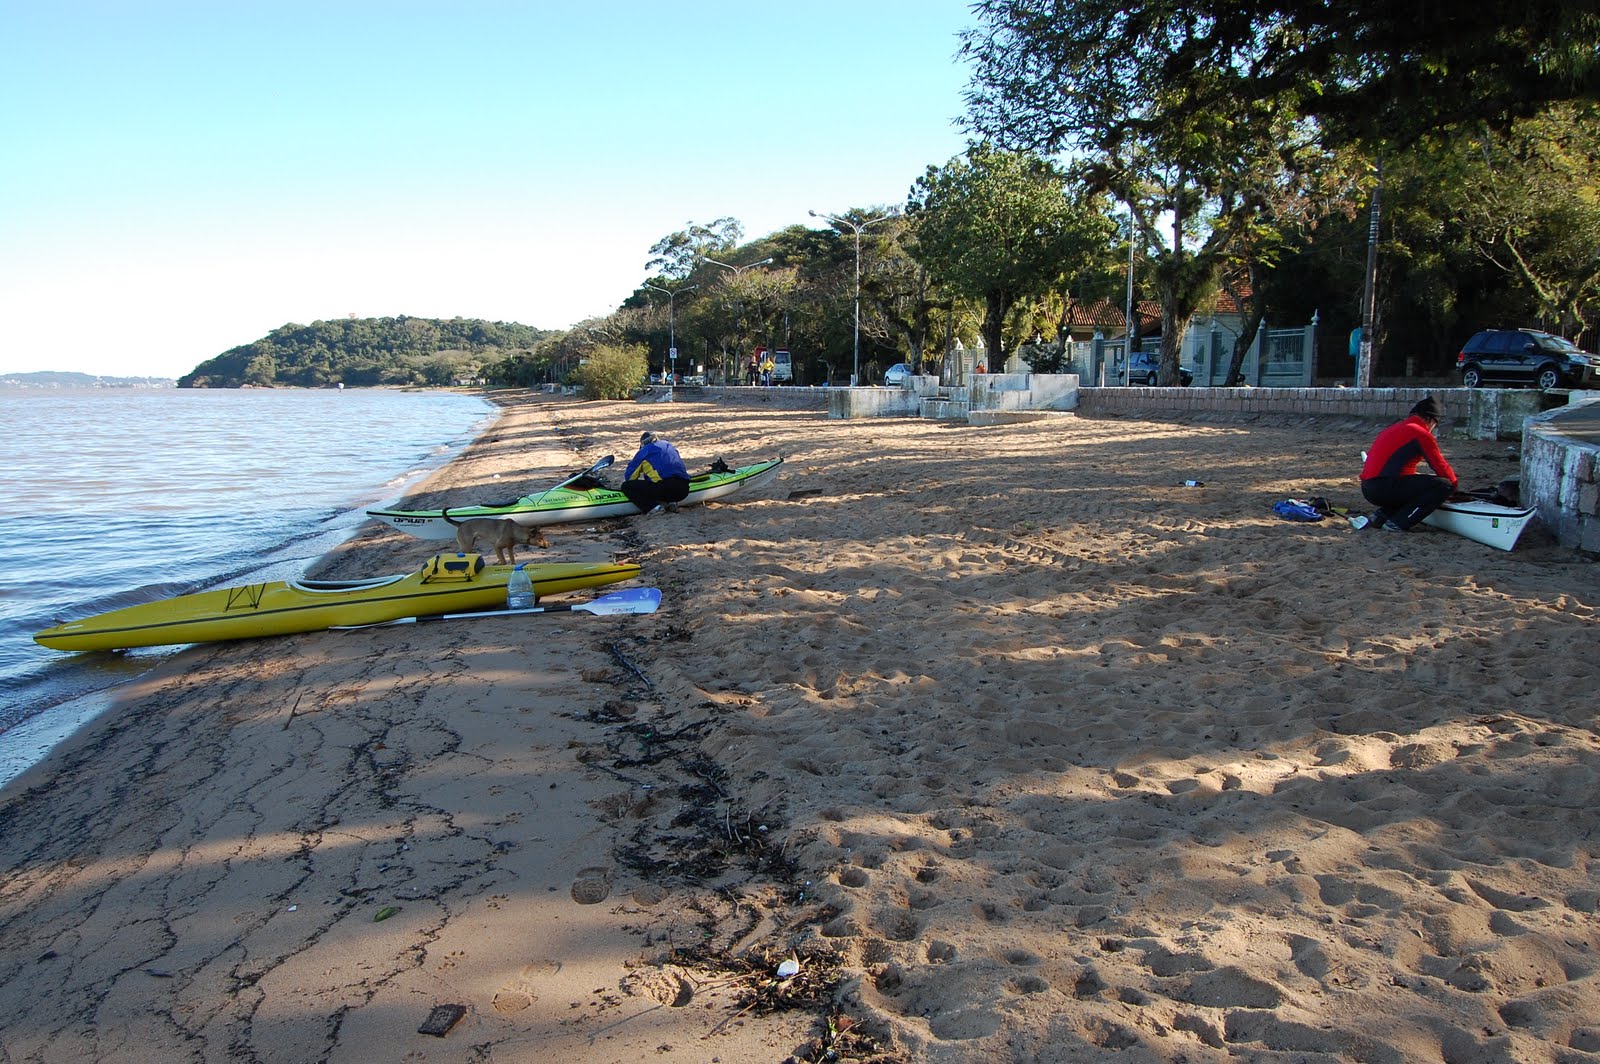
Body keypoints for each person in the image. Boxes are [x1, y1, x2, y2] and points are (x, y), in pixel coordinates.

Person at [1358, 395, 1458, 532]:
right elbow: (1440, 466)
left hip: (1368, 487)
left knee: (1414, 483)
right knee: (1444, 485)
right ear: (1429, 420)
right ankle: (1398, 523)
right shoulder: (1421, 433)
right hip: (1383, 488)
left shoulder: (1393, 428)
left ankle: (1380, 516)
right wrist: (1454, 487)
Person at [622, 431, 691, 513]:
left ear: (642, 444)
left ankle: (655, 508)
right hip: (684, 489)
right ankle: (671, 502)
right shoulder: (669, 445)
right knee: (663, 480)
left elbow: (629, 477)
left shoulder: (643, 451)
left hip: (666, 488)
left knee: (626, 486)